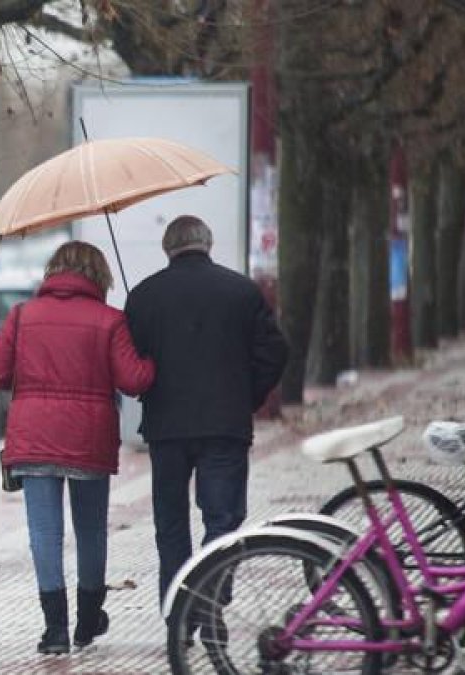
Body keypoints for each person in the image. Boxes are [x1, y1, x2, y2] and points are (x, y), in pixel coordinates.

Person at [0, 241, 155, 654]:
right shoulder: (110, 320)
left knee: (45, 533)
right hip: (88, 439)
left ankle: (54, 630)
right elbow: (134, 380)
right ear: (100, 275)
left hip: (34, 436)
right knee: (91, 529)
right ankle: (88, 620)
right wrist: (150, 359)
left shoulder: (22, 316)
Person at [123, 215, 289, 609]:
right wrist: (247, 395)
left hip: (166, 428)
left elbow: (131, 364)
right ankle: (211, 599)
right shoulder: (241, 291)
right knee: (222, 519)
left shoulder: (144, 296)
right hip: (225, 424)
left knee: (171, 524)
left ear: (168, 249)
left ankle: (176, 610)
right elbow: (275, 351)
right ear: (207, 243)